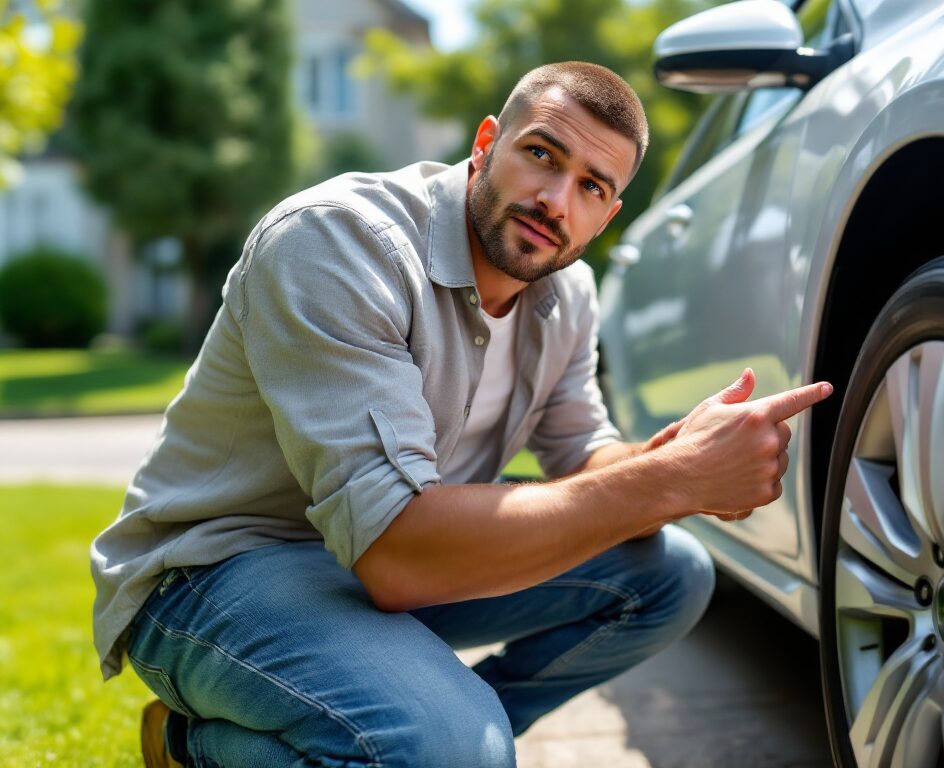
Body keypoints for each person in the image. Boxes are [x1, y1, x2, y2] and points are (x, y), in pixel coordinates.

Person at [91, 61, 832, 768]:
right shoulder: (337, 243)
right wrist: (670, 482)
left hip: (377, 563)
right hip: (216, 572)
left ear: (608, 215)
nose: (555, 200)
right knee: (450, 747)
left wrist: (679, 457)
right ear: (485, 144)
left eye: (590, 187)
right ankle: (214, 749)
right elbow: (398, 557)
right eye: (541, 154)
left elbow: (583, 454)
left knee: (669, 574)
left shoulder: (565, 296)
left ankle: (421, 735)